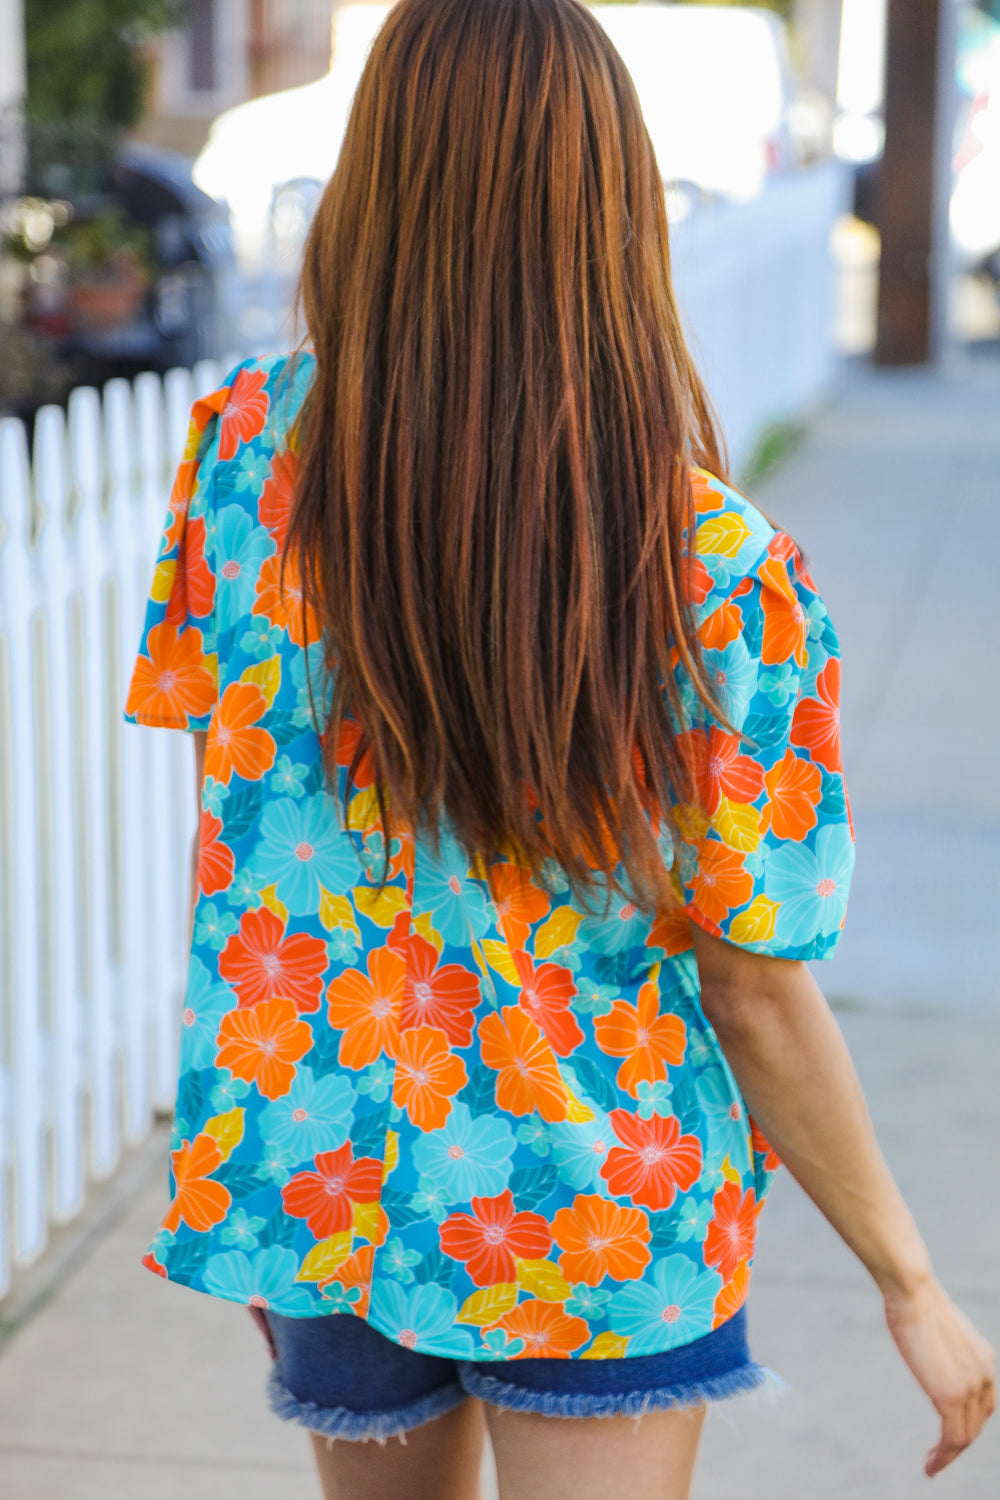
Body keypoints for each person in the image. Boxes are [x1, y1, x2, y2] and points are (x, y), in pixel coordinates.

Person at [123, 2, 995, 1496]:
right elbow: (752, 980)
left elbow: (248, 815)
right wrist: (909, 1279)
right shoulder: (714, 568)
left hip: (332, 1166)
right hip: (592, 1200)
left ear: (375, 180)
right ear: (611, 211)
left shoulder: (242, 462)